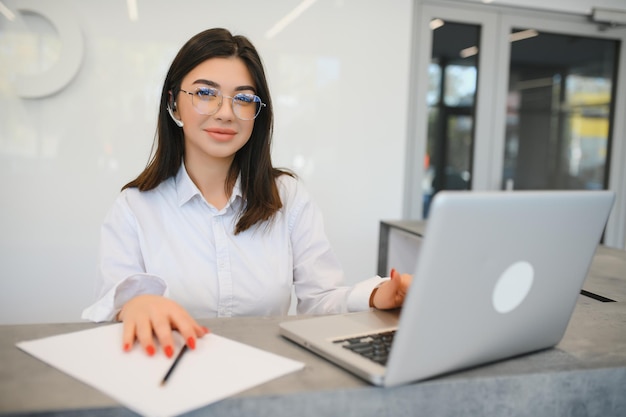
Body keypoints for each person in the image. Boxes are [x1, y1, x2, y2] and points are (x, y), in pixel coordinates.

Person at [82, 28, 411, 359]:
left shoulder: (287, 196)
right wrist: (134, 304)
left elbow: (321, 299)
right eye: (205, 93)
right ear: (174, 105)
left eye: (243, 98)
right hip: (171, 380)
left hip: (269, 375)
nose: (225, 112)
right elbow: (116, 299)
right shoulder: (135, 207)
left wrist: (376, 296)